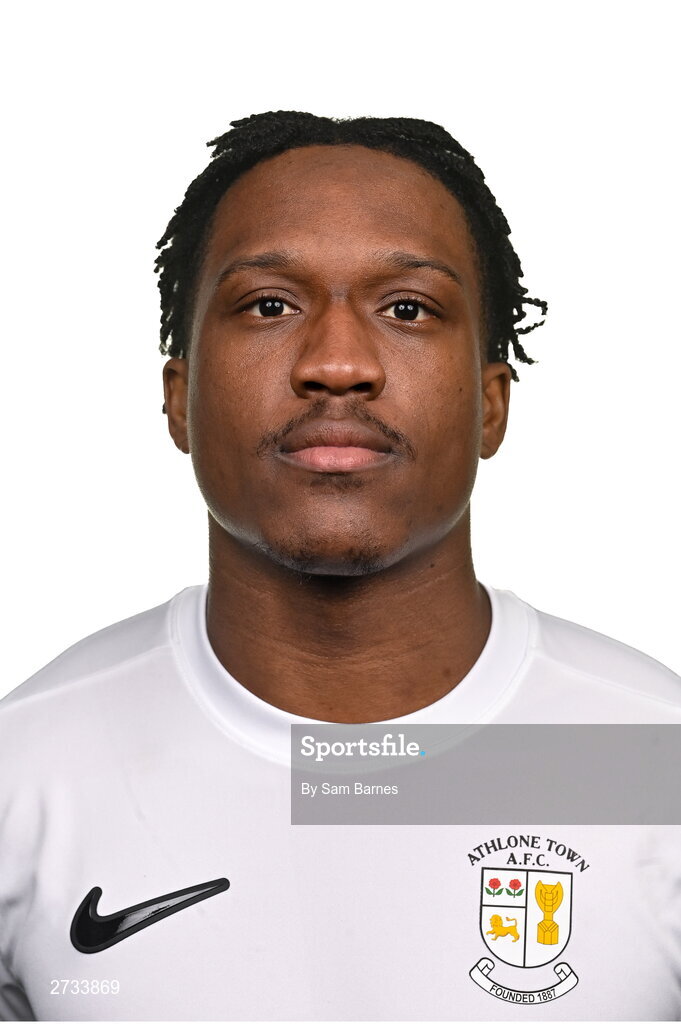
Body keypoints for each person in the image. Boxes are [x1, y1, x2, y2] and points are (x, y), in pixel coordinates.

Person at [1, 111, 679, 1022]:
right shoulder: (29, 770)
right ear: (178, 397)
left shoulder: (648, 758)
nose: (336, 363)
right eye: (268, 305)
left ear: (490, 403)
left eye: (406, 308)